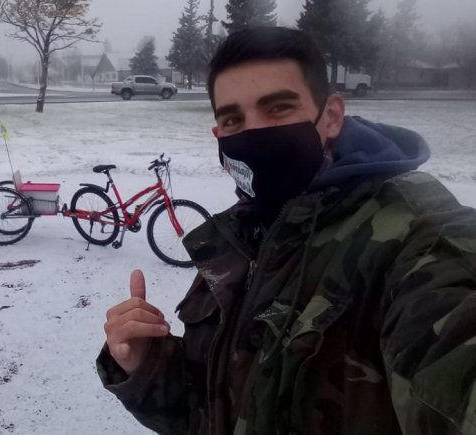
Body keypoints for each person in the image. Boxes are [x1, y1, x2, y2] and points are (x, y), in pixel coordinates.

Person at [98, 27, 476, 434]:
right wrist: (146, 366)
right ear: (218, 136)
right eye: (232, 118)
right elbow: (215, 410)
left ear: (330, 116)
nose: (254, 131)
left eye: (277, 108)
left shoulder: (418, 236)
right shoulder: (244, 233)